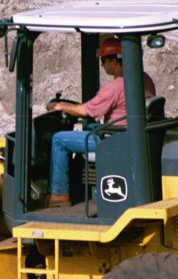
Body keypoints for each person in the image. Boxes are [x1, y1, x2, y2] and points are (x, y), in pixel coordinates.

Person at [44, 37, 156, 207]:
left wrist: (59, 106)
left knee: (59, 140)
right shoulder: (143, 78)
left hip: (113, 140)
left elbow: (86, 110)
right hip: (127, 134)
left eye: (104, 60)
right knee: (89, 127)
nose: (103, 65)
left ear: (114, 60)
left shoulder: (116, 86)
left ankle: (59, 193)